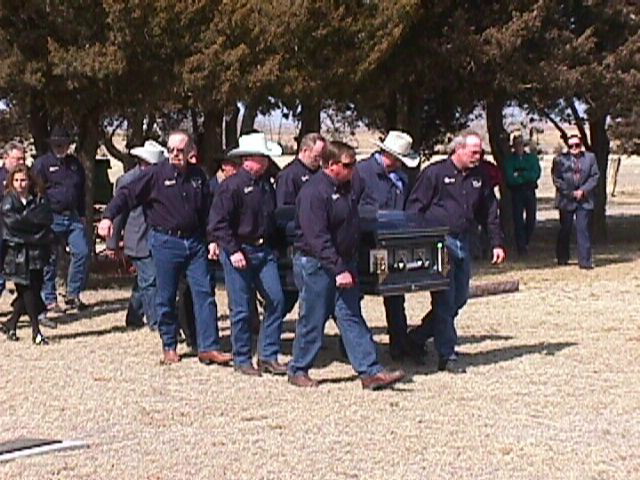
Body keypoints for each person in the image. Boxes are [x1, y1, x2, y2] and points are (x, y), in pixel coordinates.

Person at [98, 130, 232, 366]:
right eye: (171, 150)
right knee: (166, 296)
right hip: (165, 243)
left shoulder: (199, 177)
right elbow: (126, 194)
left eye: (180, 150)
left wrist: (213, 239)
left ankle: (208, 346)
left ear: (191, 151)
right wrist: (108, 216)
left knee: (205, 294)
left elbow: (208, 212)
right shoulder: (155, 175)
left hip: (196, 244)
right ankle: (169, 345)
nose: (175, 154)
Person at [288, 140, 406, 389]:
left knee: (351, 316)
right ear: (331, 165)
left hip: (344, 261)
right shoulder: (314, 193)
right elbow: (316, 237)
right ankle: (298, 369)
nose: (354, 169)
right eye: (347, 165)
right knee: (313, 317)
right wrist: (337, 268)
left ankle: (370, 371)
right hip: (317, 264)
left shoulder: (351, 186)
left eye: (354, 164)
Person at [406, 131, 506, 373]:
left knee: (459, 298)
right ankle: (447, 355)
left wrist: (496, 243)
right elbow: (414, 208)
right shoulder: (435, 173)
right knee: (444, 298)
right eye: (474, 153)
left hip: (465, 241)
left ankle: (417, 338)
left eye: (480, 153)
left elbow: (490, 211)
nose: (478, 157)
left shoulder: (480, 176)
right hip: (440, 242)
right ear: (458, 150)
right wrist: (421, 240)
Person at [208, 132, 287, 377]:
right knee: (241, 307)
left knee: (277, 300)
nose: (264, 163)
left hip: (264, 251)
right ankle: (242, 357)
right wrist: (233, 250)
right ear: (247, 159)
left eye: (265, 158)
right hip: (240, 249)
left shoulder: (265, 185)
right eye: (260, 158)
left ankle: (268, 355)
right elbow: (218, 224)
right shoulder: (230, 187)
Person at [355, 130, 424, 362]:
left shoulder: (402, 177)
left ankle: (399, 343)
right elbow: (351, 206)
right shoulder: (361, 173)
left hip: (393, 243)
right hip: (365, 245)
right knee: (357, 292)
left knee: (395, 291)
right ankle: (354, 345)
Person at [105, 140, 166, 330]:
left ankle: (134, 316)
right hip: (138, 238)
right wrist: (112, 243)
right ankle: (156, 322)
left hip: (155, 235)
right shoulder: (128, 180)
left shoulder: (160, 177)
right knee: (150, 280)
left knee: (145, 281)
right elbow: (118, 213)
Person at [32, 126, 90, 312]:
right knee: (50, 259)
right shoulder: (42, 164)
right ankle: (49, 298)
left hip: (72, 216)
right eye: (57, 144)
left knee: (82, 251)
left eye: (64, 144)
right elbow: (37, 191)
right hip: (52, 217)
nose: (61, 148)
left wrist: (81, 215)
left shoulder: (75, 164)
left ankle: (73, 294)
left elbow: (80, 191)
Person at [1, 165, 54, 345]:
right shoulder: (8, 202)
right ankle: (36, 331)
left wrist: (31, 227)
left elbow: (46, 220)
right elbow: (13, 227)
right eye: (16, 180)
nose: (20, 184)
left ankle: (11, 324)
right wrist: (33, 228)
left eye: (23, 180)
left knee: (32, 291)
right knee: (28, 290)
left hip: (37, 253)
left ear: (29, 180)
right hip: (17, 256)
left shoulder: (38, 199)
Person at [275, 132, 327, 316]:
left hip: (319, 242)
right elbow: (284, 213)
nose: (320, 161)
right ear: (305, 150)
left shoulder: (321, 175)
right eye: (316, 156)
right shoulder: (289, 175)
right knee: (288, 297)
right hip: (297, 245)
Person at [552, 134, 600, 269]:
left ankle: (585, 261)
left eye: (577, 145)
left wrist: (583, 191)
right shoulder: (559, 160)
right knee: (565, 228)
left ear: (581, 145)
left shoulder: (590, 158)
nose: (574, 148)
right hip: (566, 199)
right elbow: (557, 179)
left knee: (583, 229)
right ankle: (562, 256)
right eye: (571, 146)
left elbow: (595, 176)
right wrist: (570, 193)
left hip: (584, 199)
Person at [504, 136, 541, 256]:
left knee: (531, 219)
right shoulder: (510, 160)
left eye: (520, 144)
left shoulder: (531, 159)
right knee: (518, 219)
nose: (519, 147)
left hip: (530, 191)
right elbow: (510, 178)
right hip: (516, 192)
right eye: (516, 145)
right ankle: (521, 247)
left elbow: (535, 174)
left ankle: (526, 240)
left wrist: (520, 174)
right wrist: (524, 175)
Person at [0, 141, 27, 298]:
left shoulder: (27, 178)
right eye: (18, 159)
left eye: (23, 158)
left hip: (19, 231)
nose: (21, 162)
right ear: (6, 158)